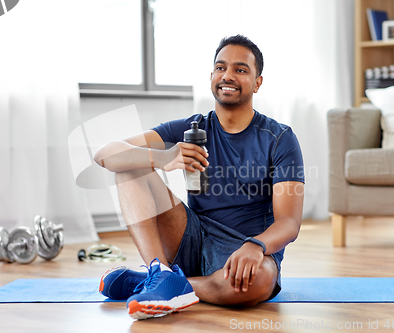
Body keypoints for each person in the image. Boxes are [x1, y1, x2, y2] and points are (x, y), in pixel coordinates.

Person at [94, 35, 305, 320]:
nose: (227, 75)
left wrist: (257, 246)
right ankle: (161, 272)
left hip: (244, 248)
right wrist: (162, 158)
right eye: (220, 67)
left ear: (257, 82)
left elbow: (289, 223)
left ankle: (164, 283)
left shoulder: (279, 138)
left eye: (241, 70)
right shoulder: (190, 128)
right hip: (192, 235)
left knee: (259, 283)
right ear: (211, 76)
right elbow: (105, 154)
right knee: (129, 166)